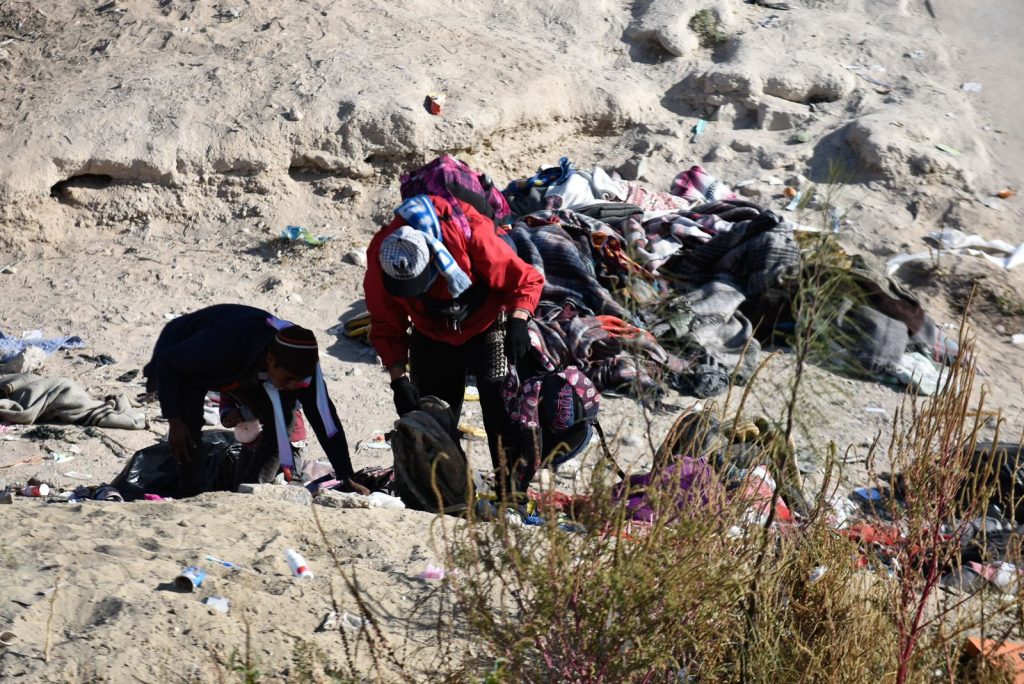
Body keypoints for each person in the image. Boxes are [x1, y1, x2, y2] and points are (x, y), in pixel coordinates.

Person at [364, 194, 544, 494]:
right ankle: (445, 493)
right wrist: (399, 379)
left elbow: (525, 280)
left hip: (486, 324)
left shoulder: (473, 234)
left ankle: (510, 490)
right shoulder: (382, 257)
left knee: (501, 411)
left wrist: (518, 320)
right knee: (431, 418)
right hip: (429, 333)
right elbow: (385, 322)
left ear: (434, 259)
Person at [143, 304, 359, 496]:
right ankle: (191, 495)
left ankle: (252, 490)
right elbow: (170, 364)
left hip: (245, 369)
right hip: (185, 359)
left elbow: (325, 419)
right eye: (290, 379)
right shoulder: (225, 343)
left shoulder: (301, 364)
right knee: (186, 433)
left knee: (283, 419)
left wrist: (345, 474)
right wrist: (174, 420)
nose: (295, 386)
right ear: (271, 361)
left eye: (300, 381)